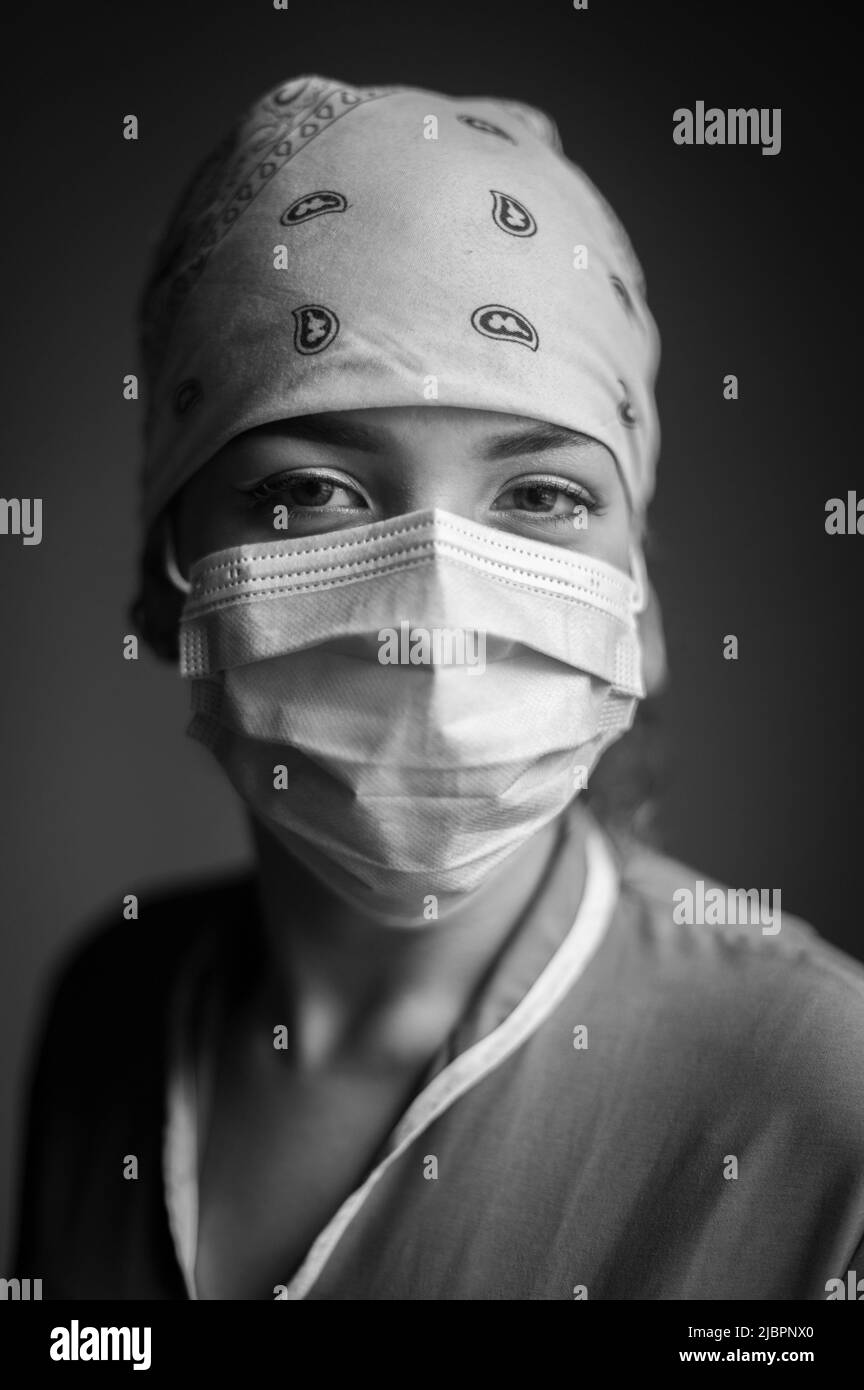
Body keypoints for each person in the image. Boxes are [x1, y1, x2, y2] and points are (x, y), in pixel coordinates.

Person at [11, 72, 864, 1302]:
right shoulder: (112, 1008)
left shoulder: (820, 1103)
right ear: (170, 585)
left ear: (640, 606)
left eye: (542, 497)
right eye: (311, 491)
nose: (434, 609)